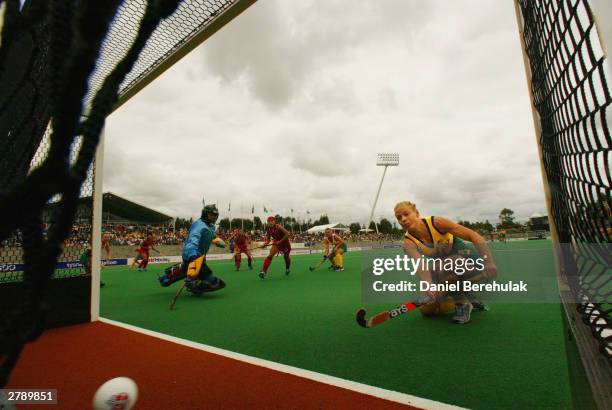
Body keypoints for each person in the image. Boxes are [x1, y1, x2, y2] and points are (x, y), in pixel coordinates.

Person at [394, 201, 497, 324]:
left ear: (416, 213)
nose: (403, 219)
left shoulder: (436, 223)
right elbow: (420, 265)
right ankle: (465, 297)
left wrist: (489, 263)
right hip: (445, 271)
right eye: (399, 217)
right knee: (428, 309)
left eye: (406, 214)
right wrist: (429, 285)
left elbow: (475, 237)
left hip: (475, 267)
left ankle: (463, 304)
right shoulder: (409, 243)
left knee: (445, 265)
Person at [181, 204, 227, 294]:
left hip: (201, 256)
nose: (214, 217)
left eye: (215, 215)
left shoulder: (211, 226)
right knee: (210, 278)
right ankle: (190, 282)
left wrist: (217, 241)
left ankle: (195, 286)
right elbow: (193, 239)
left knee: (208, 278)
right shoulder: (199, 225)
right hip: (193, 255)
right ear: (205, 214)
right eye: (211, 215)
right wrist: (192, 254)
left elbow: (211, 237)